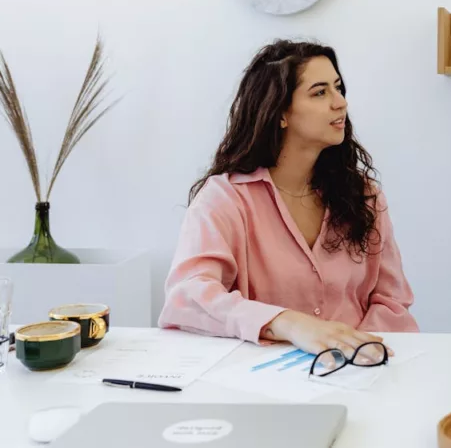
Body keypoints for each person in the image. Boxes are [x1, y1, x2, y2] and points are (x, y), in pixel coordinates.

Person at [159, 40, 418, 357]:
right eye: (320, 92)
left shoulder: (365, 196)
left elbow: (392, 300)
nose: (340, 103)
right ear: (280, 113)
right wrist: (288, 324)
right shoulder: (226, 199)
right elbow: (188, 295)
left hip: (362, 366)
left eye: (339, 88)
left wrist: (351, 350)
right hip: (261, 377)